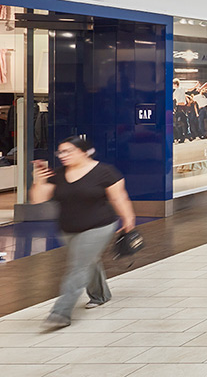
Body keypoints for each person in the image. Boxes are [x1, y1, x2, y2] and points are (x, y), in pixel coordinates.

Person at [29, 137, 137, 328]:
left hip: (99, 226)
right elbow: (37, 200)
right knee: (88, 261)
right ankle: (101, 295)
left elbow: (119, 197)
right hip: (68, 229)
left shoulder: (104, 172)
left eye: (68, 151)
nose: (63, 156)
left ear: (83, 152)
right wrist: (38, 180)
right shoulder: (59, 175)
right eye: (60, 152)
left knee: (78, 266)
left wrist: (128, 219)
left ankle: (60, 313)